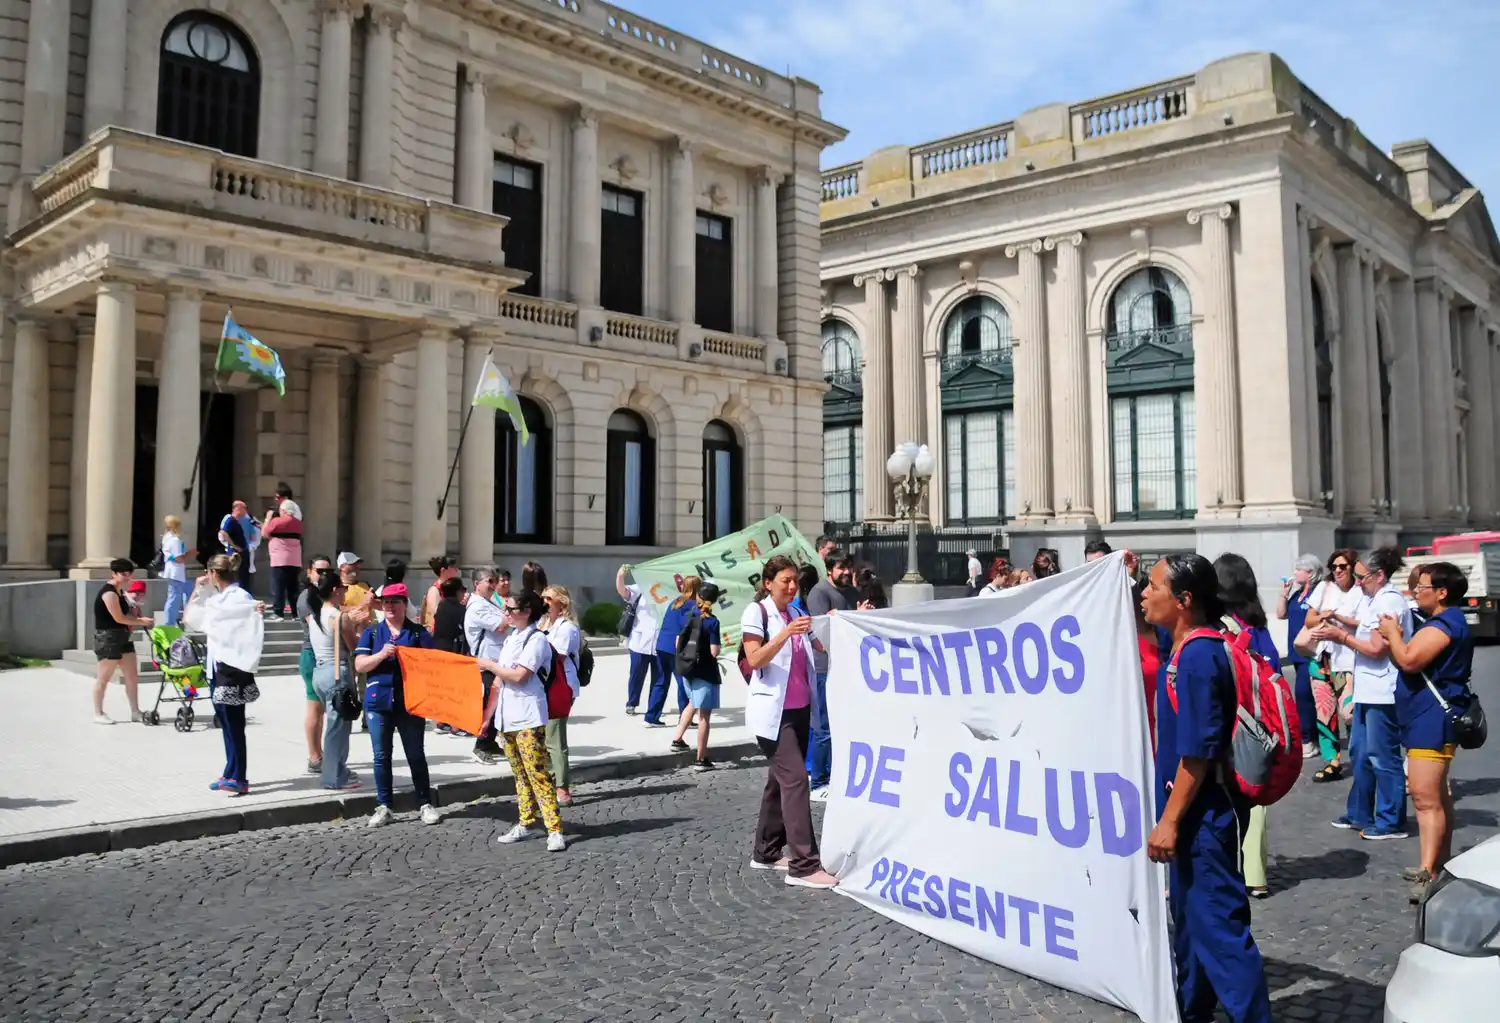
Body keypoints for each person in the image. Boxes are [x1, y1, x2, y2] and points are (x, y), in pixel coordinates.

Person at [1143, 554, 1271, 1022]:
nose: (1144, 593)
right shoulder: (1181, 641)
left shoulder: (1198, 657)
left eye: (1152, 586)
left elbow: (1198, 754)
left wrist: (1170, 823)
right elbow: (1143, 624)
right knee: (1192, 931)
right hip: (1191, 815)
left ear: (1184, 599)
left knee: (1220, 930)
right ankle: (1192, 1013)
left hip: (1203, 817)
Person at [740, 554, 839, 890]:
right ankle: (804, 864)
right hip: (772, 715)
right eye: (786, 580)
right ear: (769, 583)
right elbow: (754, 659)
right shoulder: (757, 612)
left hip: (799, 710)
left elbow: (817, 648)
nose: (793, 586)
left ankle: (765, 851)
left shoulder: (797, 612)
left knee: (778, 783)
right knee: (796, 780)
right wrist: (784, 634)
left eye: (795, 580)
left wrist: (828, 631)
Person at [1381, 561, 1474, 902]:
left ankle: (1427, 871)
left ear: (1441, 592)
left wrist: (1393, 635)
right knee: (1437, 796)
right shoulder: (1445, 622)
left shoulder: (1445, 623)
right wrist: (1396, 642)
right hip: (1425, 715)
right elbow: (1408, 662)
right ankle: (1440, 864)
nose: (1415, 592)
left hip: (1432, 719)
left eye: (1421, 587)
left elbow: (1408, 661)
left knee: (1424, 798)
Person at [1314, 547, 1410, 841]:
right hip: (1368, 689)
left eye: (1361, 577)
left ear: (1379, 576)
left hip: (1383, 690)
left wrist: (1340, 636)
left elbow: (1377, 649)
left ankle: (1391, 820)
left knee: (1383, 756)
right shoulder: (1373, 599)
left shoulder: (1389, 602)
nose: (1357, 582)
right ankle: (1360, 813)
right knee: (1359, 752)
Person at [1214, 553, 1282, 901]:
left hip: (1232, 724)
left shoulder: (1224, 625)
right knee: (1256, 801)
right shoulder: (1257, 622)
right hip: (1259, 726)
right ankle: (1255, 873)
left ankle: (1236, 871)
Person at [352, 583, 441, 828]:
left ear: (404, 604)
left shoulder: (417, 633)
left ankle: (425, 803)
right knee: (381, 756)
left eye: (395, 602)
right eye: (386, 602)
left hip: (410, 702)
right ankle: (384, 806)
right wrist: (382, 655)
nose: (389, 606)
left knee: (415, 754)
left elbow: (433, 665)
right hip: (378, 701)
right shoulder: (372, 632)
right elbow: (360, 665)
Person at [489, 588, 566, 851]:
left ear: (525, 612)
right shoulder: (512, 638)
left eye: (509, 609)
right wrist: (488, 718)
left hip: (528, 717)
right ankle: (525, 821)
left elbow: (520, 675)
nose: (506, 613)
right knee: (520, 775)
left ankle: (554, 828)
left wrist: (489, 666)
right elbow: (501, 681)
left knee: (538, 774)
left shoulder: (537, 640)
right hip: (507, 717)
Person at [188, 554, 265, 797]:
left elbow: (244, 626)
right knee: (225, 722)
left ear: (214, 573)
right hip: (216, 667)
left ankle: (239, 777)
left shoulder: (239, 597)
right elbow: (192, 618)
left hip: (232, 668)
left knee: (234, 724)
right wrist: (198, 589)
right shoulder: (218, 598)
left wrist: (255, 610)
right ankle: (230, 771)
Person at [804, 557, 860, 799]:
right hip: (824, 667)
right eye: (841, 568)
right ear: (829, 570)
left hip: (844, 665)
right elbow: (819, 627)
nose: (847, 572)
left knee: (841, 725)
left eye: (848, 568)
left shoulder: (849, 592)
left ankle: (833, 774)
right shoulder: (819, 593)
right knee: (823, 727)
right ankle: (817, 782)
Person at [1305, 548, 1360, 781]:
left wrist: (1338, 618)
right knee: (1324, 713)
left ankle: (1360, 758)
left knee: (1350, 713)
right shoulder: (1324, 588)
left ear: (1353, 568)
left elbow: (1363, 623)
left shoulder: (1360, 592)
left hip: (1349, 660)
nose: (1338, 570)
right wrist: (1322, 617)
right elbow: (1309, 619)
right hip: (1321, 659)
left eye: (1343, 566)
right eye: (1334, 566)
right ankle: (1332, 761)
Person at [306, 571, 359, 791]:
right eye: (344, 589)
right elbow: (353, 646)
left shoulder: (314, 615)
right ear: (336, 590)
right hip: (337, 672)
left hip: (320, 672)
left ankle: (339, 768)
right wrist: (361, 627)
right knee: (337, 727)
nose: (346, 592)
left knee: (336, 724)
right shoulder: (339, 617)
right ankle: (333, 776)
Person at [91, 558, 152, 724]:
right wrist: (141, 622)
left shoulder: (121, 593)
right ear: (114, 574)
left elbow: (126, 617)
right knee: (104, 677)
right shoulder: (109, 593)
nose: (126, 577)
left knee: (132, 676)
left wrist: (137, 618)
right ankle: (98, 713)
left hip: (123, 636)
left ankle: (135, 711)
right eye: (123, 574)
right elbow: (118, 618)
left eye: (129, 574)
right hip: (108, 638)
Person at [672, 581, 724, 771]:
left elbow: (678, 640)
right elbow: (714, 651)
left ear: (698, 597)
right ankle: (701, 758)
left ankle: (677, 739)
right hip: (705, 672)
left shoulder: (689, 615)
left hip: (687, 668)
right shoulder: (712, 621)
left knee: (692, 702)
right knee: (704, 716)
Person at [1277, 554, 1324, 759]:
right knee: (1305, 696)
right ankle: (1312, 736)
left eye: (1299, 569)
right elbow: (1281, 614)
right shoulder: (1297, 594)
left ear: (1311, 573)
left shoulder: (1318, 593)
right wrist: (1284, 594)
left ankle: (1308, 738)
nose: (1295, 573)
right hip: (1296, 652)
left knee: (1304, 695)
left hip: (1311, 652)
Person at [540, 585, 583, 806]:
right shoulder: (544, 624)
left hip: (560, 686)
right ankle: (547, 780)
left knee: (555, 737)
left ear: (561, 603)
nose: (544, 603)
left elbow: (558, 656)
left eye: (549, 599)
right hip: (541, 687)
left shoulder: (567, 628)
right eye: (543, 599)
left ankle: (562, 787)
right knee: (543, 736)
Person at [465, 567, 508, 765]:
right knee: (488, 707)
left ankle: (489, 742)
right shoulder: (477, 607)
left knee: (497, 705)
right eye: (488, 582)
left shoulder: (488, 602)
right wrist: (516, 613)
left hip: (496, 662)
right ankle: (480, 746)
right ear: (477, 584)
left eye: (493, 581)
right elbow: (500, 626)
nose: (493, 586)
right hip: (487, 664)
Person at [297, 554, 334, 774]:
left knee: (319, 709)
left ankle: (319, 753)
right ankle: (314, 756)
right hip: (312, 654)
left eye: (328, 572)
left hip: (320, 654)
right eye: (319, 571)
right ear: (309, 572)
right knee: (314, 706)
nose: (323, 575)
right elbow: (317, 625)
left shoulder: (320, 596)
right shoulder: (307, 598)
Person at [649, 576, 702, 726]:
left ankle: (651, 717)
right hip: (676, 648)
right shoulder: (692, 606)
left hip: (662, 645)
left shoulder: (675, 602)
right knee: (683, 683)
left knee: (660, 682)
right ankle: (685, 718)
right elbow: (686, 627)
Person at [616, 564, 661, 717]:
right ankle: (632, 702)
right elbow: (623, 591)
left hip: (660, 642)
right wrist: (620, 576)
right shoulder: (640, 589)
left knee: (659, 677)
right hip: (639, 641)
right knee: (636, 674)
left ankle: (653, 707)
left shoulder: (670, 591)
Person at [261, 483, 303, 619]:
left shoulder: (277, 521)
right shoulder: (298, 522)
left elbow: (264, 533)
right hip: (295, 559)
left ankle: (278, 612)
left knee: (278, 586)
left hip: (279, 558)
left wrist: (268, 518)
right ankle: (296, 613)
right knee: (293, 588)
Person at [159, 515, 195, 626]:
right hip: (176, 572)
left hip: (174, 571)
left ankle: (188, 615)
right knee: (174, 597)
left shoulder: (166, 538)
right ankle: (169, 623)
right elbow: (179, 558)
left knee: (189, 590)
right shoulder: (175, 540)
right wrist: (190, 554)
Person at [217, 500, 258, 590]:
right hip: (235, 554)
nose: (246, 511)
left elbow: (255, 532)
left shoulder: (244, 520)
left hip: (244, 552)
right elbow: (223, 532)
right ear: (238, 508)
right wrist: (233, 546)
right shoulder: (230, 520)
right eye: (244, 508)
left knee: (244, 577)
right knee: (237, 576)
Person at [421, 555, 460, 631]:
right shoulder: (434, 590)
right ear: (443, 570)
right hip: (439, 633)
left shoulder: (453, 589)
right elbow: (438, 613)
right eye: (452, 567)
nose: (456, 570)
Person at [431, 576, 470, 654]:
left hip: (438, 648)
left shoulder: (442, 605)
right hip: (453, 650)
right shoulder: (460, 609)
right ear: (457, 592)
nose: (464, 593)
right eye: (463, 590)